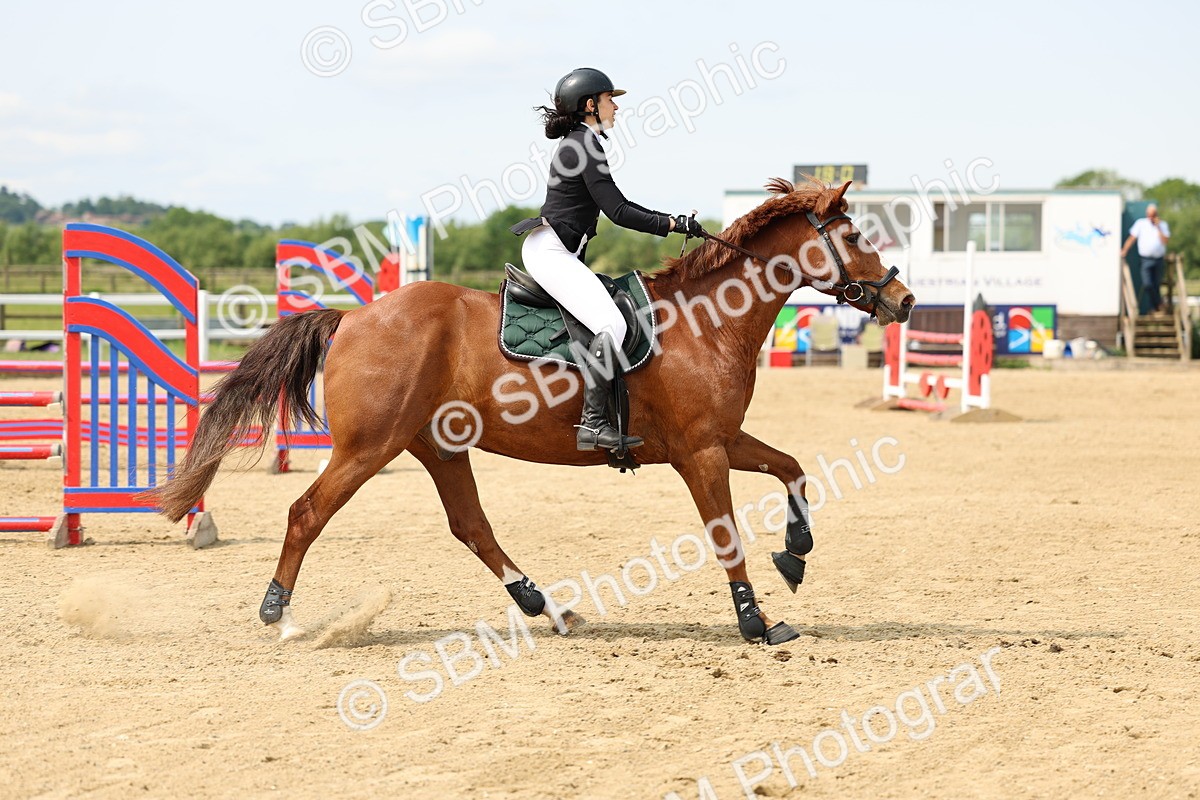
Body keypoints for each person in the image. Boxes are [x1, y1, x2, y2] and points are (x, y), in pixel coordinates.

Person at [511, 68, 703, 452]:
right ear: (589, 106)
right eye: (609, 99)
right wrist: (671, 223)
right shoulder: (583, 145)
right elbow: (617, 210)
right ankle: (593, 424)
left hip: (556, 251)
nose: (615, 106)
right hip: (550, 253)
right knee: (611, 323)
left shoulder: (580, 142)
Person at [1121, 204, 1171, 314]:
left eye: (1153, 215)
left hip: (1158, 259)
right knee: (1148, 284)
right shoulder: (1140, 224)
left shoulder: (1163, 225)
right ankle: (1158, 304)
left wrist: (1158, 227)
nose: (1151, 217)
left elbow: (1165, 241)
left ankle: (1155, 308)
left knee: (1157, 283)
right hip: (1145, 259)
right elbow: (1132, 238)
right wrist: (1124, 250)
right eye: (1149, 215)